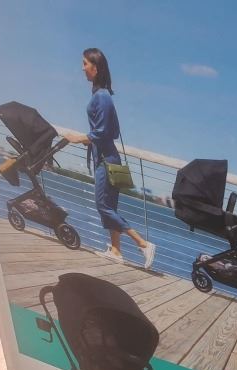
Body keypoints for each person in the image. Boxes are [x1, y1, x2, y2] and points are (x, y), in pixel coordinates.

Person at [64, 48, 156, 268]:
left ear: (95, 68)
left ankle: (143, 244)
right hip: (106, 157)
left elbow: (104, 131)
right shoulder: (100, 95)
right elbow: (109, 132)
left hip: (106, 160)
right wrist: (89, 140)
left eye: (85, 64)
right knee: (109, 207)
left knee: (102, 205)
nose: (82, 68)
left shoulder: (102, 97)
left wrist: (78, 138)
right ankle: (116, 251)